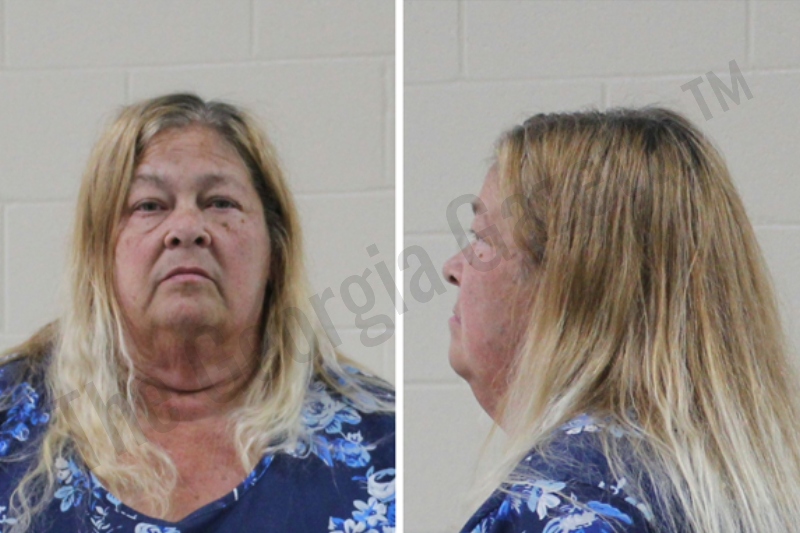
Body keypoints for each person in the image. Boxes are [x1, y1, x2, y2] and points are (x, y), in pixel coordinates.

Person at [0, 93, 395, 533]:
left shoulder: (382, 444)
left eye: (220, 203)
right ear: (99, 251)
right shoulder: (9, 422)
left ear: (275, 249)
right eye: (149, 205)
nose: (187, 229)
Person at [443, 107, 800, 533]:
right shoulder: (740, 486)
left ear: (572, 284)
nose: (452, 269)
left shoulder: (566, 505)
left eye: (482, 238)